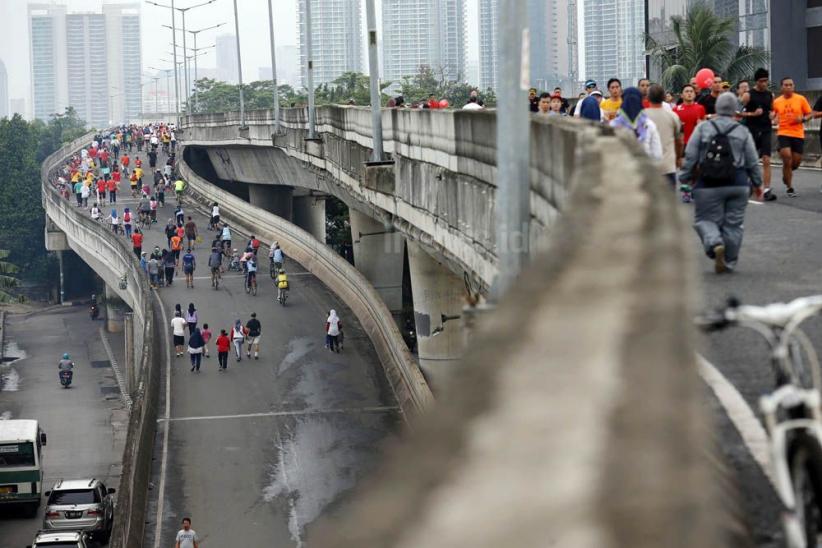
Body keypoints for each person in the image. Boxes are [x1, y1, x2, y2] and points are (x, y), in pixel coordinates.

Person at [679, 92, 763, 274]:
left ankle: (715, 242)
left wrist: (684, 176)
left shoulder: (703, 128)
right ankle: (729, 261)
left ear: (716, 107)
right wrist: (758, 184)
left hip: (707, 184)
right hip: (738, 183)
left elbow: (691, 155)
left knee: (704, 219)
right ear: (735, 109)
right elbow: (752, 160)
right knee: (734, 224)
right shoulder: (742, 130)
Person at [772, 77, 813, 197]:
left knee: (795, 163)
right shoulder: (777, 101)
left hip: (798, 134)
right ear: (782, 87)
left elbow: (810, 113)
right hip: (783, 133)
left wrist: (803, 119)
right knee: (787, 158)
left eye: (791, 85)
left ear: (794, 86)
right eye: (786, 85)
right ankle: (790, 188)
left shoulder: (801, 99)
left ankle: (787, 174)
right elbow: (773, 115)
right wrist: (773, 119)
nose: (789, 87)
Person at [741, 68, 775, 201]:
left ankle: (766, 189)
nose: (764, 83)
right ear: (756, 81)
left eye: (766, 81)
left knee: (766, 159)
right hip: (752, 130)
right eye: (762, 81)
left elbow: (772, 111)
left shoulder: (769, 95)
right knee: (751, 160)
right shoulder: (748, 95)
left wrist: (773, 116)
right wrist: (752, 114)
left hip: (766, 129)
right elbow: (738, 114)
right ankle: (747, 183)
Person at [644, 84, 683, 187]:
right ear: (663, 97)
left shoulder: (642, 116)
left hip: (648, 167)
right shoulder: (672, 116)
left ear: (647, 98)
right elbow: (679, 141)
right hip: (668, 166)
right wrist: (678, 158)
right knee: (669, 201)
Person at [610, 87, 663, 161]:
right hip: (644, 169)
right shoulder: (649, 124)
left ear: (623, 100)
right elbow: (657, 155)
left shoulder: (613, 125)